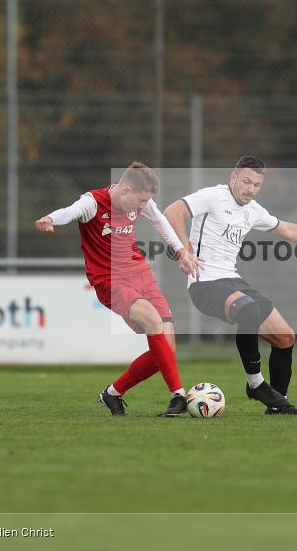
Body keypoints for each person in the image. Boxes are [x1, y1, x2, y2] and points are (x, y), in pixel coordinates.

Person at [164, 156, 297, 415]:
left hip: (232, 280)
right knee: (248, 310)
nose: (250, 189)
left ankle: (278, 405)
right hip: (204, 283)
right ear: (233, 177)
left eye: (257, 184)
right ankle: (256, 384)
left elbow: (288, 230)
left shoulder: (253, 210)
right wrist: (184, 251)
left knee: (285, 337)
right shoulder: (213, 196)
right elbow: (173, 211)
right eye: (246, 181)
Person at [35, 162, 202, 418]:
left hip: (140, 273)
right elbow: (69, 212)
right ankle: (178, 394)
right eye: (141, 200)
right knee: (151, 318)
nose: (143, 206)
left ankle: (112, 394)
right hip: (109, 280)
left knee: (166, 348)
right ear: (125, 190)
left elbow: (160, 223)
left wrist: (181, 252)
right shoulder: (93, 203)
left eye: (147, 201)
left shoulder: (141, 203)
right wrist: (50, 218)